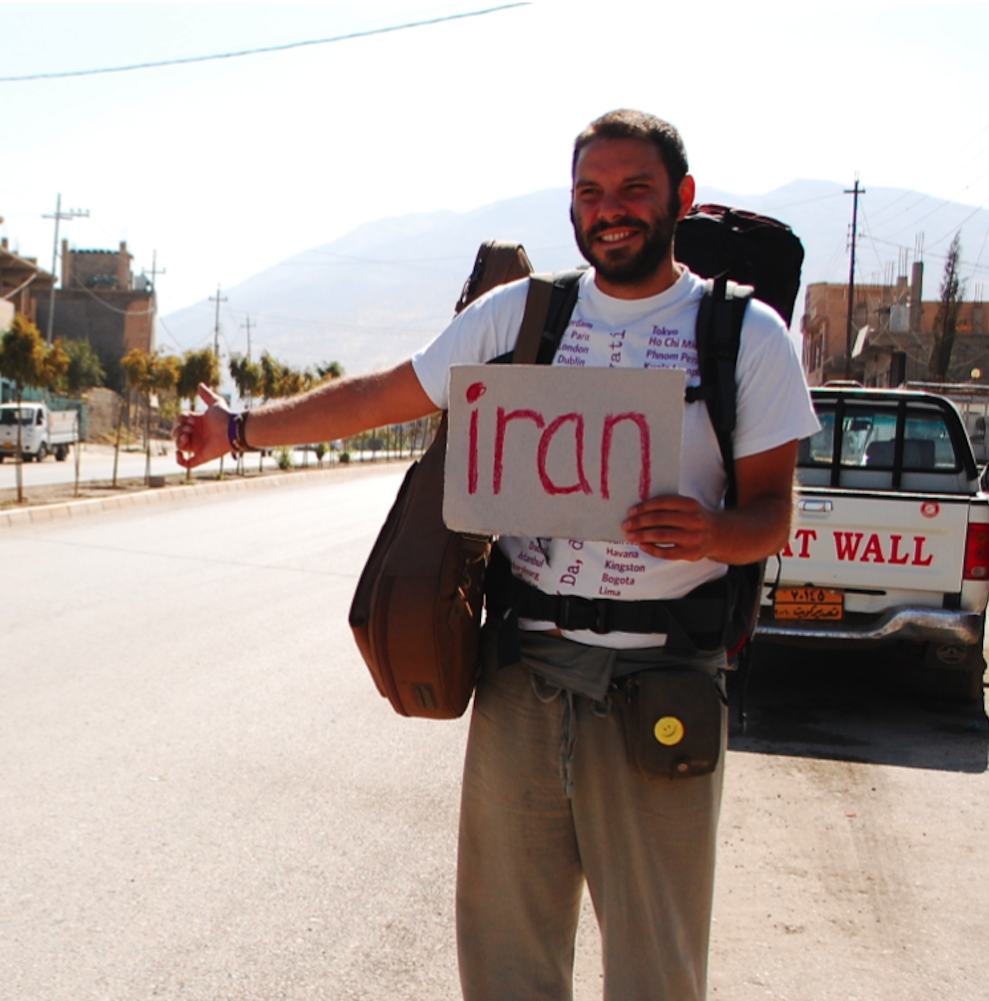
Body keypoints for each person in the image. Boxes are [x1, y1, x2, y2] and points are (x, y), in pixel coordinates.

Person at [174, 109, 820, 1001]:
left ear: (682, 197)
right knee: (506, 961)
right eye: (591, 192)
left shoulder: (746, 338)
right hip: (524, 675)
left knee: (657, 968)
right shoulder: (526, 314)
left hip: (663, 680)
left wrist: (714, 533)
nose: (612, 210)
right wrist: (238, 429)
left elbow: (773, 514)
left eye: (635, 189)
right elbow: (384, 394)